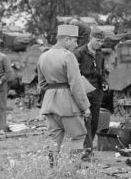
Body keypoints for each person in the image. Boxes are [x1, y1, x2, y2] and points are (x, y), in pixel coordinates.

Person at [37, 24, 91, 167]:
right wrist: (85, 107)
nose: (76, 44)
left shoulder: (43, 56)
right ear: (66, 40)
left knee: (54, 139)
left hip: (49, 104)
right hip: (68, 105)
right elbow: (76, 85)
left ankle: (52, 170)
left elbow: (42, 84)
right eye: (74, 40)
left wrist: (53, 91)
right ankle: (74, 171)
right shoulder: (68, 56)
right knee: (78, 137)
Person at [73, 29, 109, 160]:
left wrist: (104, 82)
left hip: (96, 91)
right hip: (83, 90)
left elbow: (102, 71)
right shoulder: (79, 53)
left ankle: (88, 147)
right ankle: (87, 151)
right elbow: (74, 74)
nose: (100, 43)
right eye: (98, 40)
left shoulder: (100, 54)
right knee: (86, 120)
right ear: (91, 38)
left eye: (102, 41)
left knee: (94, 122)